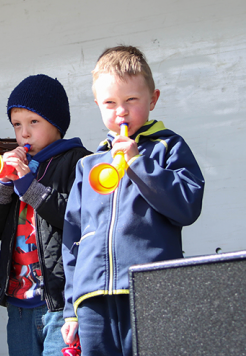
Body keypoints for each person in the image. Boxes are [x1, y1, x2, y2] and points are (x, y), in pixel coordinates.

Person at [61, 45, 205, 356]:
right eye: (110, 103)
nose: (121, 112)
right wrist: (71, 306)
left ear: (153, 99)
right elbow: (73, 238)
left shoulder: (168, 148)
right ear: (98, 104)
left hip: (151, 289)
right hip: (92, 297)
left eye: (131, 100)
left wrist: (138, 163)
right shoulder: (88, 165)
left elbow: (187, 206)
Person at [0, 74, 91, 356]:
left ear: (56, 123)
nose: (23, 133)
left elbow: (78, 221)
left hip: (62, 305)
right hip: (19, 304)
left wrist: (30, 187)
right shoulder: (20, 166)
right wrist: (2, 183)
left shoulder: (80, 161)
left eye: (33, 122)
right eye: (17, 124)